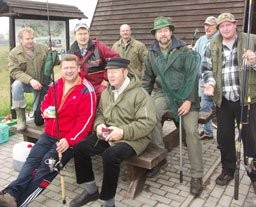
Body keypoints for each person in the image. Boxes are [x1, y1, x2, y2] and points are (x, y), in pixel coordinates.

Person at [0, 54, 97, 207]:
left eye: (72, 67)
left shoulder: (87, 90)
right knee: (31, 162)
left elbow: (86, 122)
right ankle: (11, 193)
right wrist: (45, 111)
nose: (69, 71)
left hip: (67, 141)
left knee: (44, 170)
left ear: (79, 68)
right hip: (49, 134)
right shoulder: (56, 84)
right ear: (61, 69)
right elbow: (45, 103)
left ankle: (19, 203)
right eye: (66, 68)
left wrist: (69, 140)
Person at [69, 58, 157, 207]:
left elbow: (147, 123)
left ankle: (108, 202)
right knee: (80, 148)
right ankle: (91, 191)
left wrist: (122, 132)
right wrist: (98, 125)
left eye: (114, 72)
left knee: (110, 155)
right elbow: (100, 113)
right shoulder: (107, 92)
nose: (110, 75)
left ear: (125, 72)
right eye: (108, 72)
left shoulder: (140, 94)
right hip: (109, 134)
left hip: (134, 138)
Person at [201, 13, 256, 197]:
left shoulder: (250, 41)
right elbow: (206, 69)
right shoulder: (212, 44)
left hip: (245, 100)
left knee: (249, 140)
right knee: (224, 139)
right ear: (218, 28)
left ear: (235, 24)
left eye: (228, 25)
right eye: (221, 26)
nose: (225, 29)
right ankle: (228, 170)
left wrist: (254, 61)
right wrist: (209, 83)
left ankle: (255, 176)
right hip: (223, 101)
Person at [142, 16, 204, 196]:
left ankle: (196, 175)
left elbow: (193, 76)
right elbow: (147, 79)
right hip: (163, 93)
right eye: (159, 31)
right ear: (155, 34)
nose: (163, 34)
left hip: (186, 93)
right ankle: (160, 158)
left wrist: (188, 100)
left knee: (191, 131)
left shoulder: (184, 49)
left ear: (171, 31)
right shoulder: (151, 53)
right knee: (150, 118)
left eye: (165, 30)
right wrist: (143, 100)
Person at [9, 27, 49, 131]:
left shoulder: (43, 48)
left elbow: (55, 61)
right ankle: (21, 117)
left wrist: (54, 54)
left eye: (32, 38)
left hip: (41, 84)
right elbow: (14, 71)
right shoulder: (14, 53)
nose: (31, 41)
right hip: (26, 83)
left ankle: (42, 115)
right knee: (16, 85)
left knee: (38, 119)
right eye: (27, 39)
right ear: (21, 40)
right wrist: (31, 80)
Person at [69, 22, 120, 104]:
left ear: (89, 34)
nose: (83, 36)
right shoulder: (71, 52)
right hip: (81, 87)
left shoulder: (99, 47)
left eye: (85, 33)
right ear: (75, 36)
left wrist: (107, 79)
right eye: (80, 34)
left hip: (99, 87)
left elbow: (116, 58)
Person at [193, 16, 219, 140]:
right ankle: (208, 132)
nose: (207, 27)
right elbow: (194, 53)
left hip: (214, 79)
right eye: (205, 25)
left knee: (206, 106)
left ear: (216, 26)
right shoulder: (201, 39)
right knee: (205, 105)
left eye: (210, 25)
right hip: (201, 79)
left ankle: (209, 132)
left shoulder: (219, 39)